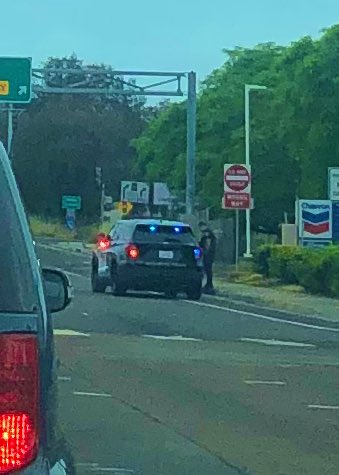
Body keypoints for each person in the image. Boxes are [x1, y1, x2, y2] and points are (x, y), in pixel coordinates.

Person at [198, 221, 216, 295]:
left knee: (208, 270)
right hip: (207, 254)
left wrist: (206, 252)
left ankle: (209, 285)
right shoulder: (207, 234)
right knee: (207, 270)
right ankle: (208, 284)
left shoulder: (207, 234)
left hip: (208, 255)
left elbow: (207, 245)